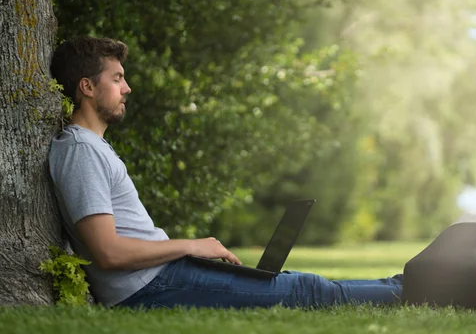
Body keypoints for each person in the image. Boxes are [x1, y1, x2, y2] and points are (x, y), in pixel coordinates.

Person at [48, 36, 404, 309]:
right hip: (148, 287)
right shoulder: (80, 150)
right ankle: (416, 290)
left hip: (161, 277)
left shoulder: (93, 148)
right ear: (88, 86)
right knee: (304, 290)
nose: (127, 88)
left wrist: (186, 252)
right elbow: (108, 252)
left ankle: (406, 284)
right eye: (117, 78)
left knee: (295, 281)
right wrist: (192, 246)